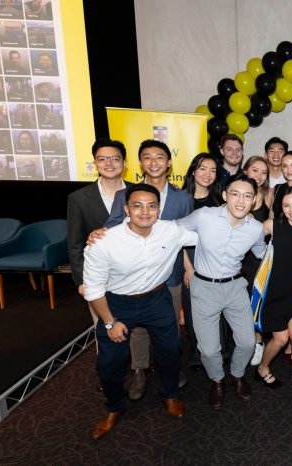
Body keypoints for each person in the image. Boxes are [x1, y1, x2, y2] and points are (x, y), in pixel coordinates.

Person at [83, 184, 198, 440]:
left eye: (151, 206)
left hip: (156, 298)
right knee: (110, 362)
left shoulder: (171, 231)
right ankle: (114, 406)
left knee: (171, 350)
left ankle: (170, 394)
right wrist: (110, 323)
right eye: (137, 206)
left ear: (159, 209)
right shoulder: (104, 241)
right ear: (126, 209)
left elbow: (209, 234)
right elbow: (93, 289)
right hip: (116, 303)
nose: (145, 212)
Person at [98, 139, 193, 400]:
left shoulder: (183, 198)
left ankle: (169, 370)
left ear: (169, 162)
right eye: (147, 157)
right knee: (137, 330)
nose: (154, 162)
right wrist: (99, 233)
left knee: (169, 328)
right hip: (133, 277)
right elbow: (112, 227)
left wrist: (188, 266)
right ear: (140, 163)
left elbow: (186, 235)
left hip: (169, 274)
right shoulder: (125, 195)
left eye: (159, 157)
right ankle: (139, 370)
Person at [177, 173, 267, 410]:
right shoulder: (204, 216)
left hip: (235, 287)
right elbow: (173, 231)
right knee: (208, 349)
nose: (240, 201)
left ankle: (237, 375)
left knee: (247, 342)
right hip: (204, 287)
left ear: (254, 200)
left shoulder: (255, 229)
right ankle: (217, 380)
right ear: (225, 195)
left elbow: (263, 254)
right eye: (235, 194)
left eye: (247, 196)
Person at [67, 139, 131, 344]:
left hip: (134, 273)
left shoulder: (139, 192)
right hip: (97, 275)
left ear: (124, 163)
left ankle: (139, 362)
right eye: (102, 159)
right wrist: (81, 281)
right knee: (104, 330)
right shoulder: (79, 198)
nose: (109, 164)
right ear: (95, 163)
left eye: (115, 159)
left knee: (136, 331)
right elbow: (75, 243)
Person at [252, 186, 292, 390]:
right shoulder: (273, 225)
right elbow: (247, 236)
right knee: (280, 340)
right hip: (275, 294)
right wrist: (261, 254)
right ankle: (263, 367)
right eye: (286, 205)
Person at [181, 152, 230, 372]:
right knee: (195, 310)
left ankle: (220, 351)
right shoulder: (182, 199)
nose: (207, 174)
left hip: (216, 260)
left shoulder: (219, 199)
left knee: (218, 307)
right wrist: (188, 268)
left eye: (212, 170)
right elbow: (177, 236)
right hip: (190, 259)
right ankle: (198, 353)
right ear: (193, 171)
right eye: (202, 169)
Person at [239, 156, 273, 367]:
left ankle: (258, 342)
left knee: (256, 300)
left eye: (264, 172)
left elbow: (273, 222)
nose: (259, 176)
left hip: (258, 257)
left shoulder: (269, 193)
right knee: (240, 303)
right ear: (245, 171)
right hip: (238, 257)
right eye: (255, 170)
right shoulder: (237, 191)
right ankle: (244, 342)